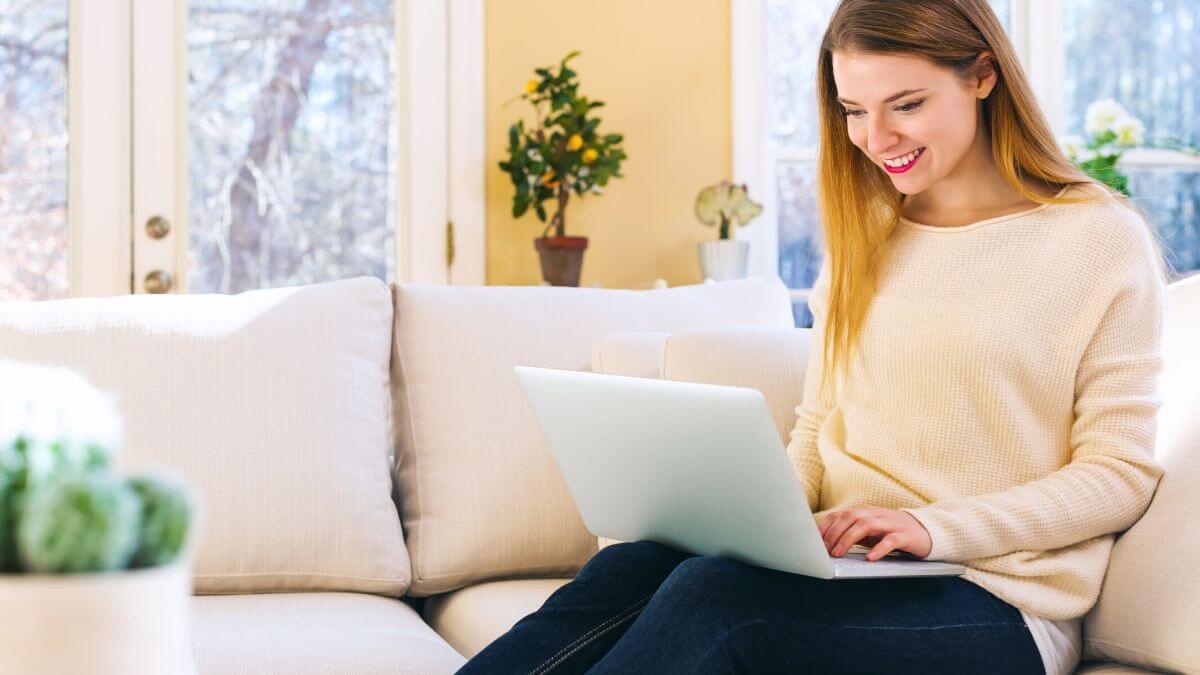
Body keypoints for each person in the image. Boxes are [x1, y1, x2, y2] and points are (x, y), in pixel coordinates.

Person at [459, 0, 1170, 672]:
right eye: (854, 110)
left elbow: (1118, 475)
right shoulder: (869, 232)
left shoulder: (1095, 238)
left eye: (908, 105)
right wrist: (751, 513)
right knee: (634, 564)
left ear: (983, 75)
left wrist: (935, 527)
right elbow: (820, 422)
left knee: (719, 601)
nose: (875, 138)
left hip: (1002, 602)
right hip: (853, 571)